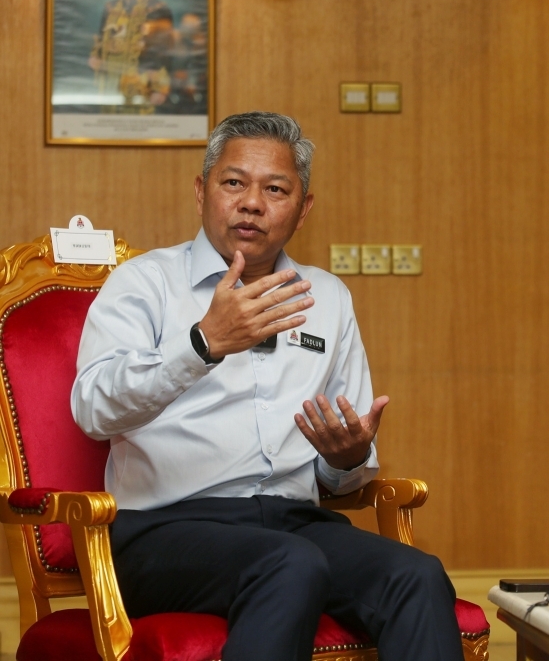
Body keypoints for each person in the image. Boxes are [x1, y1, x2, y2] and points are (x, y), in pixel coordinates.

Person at [71, 111, 464, 660]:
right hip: (162, 529)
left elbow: (344, 475)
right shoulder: (145, 284)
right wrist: (203, 343)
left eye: (275, 189)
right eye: (234, 183)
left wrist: (349, 458)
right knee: (288, 563)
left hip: (294, 521)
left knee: (415, 573)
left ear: (302, 210)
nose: (252, 202)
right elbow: (92, 409)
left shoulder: (325, 298)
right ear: (201, 189)